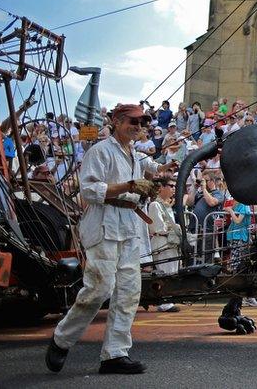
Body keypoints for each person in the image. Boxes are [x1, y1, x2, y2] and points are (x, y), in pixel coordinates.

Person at [46, 103, 174, 375]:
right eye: (133, 121)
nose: (138, 127)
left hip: (128, 227)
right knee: (100, 289)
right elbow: (90, 191)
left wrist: (164, 170)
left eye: (142, 123)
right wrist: (128, 186)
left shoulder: (136, 156)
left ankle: (115, 354)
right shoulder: (100, 151)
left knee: (128, 292)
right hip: (104, 225)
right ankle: (62, 339)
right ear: (116, 121)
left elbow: (154, 167)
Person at [146, 177, 181, 313]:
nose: (173, 188)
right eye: (171, 186)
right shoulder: (155, 205)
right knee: (164, 271)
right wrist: (175, 228)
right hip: (161, 241)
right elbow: (158, 227)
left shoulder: (165, 205)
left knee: (171, 271)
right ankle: (164, 302)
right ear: (161, 187)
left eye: (174, 186)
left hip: (170, 241)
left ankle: (168, 299)